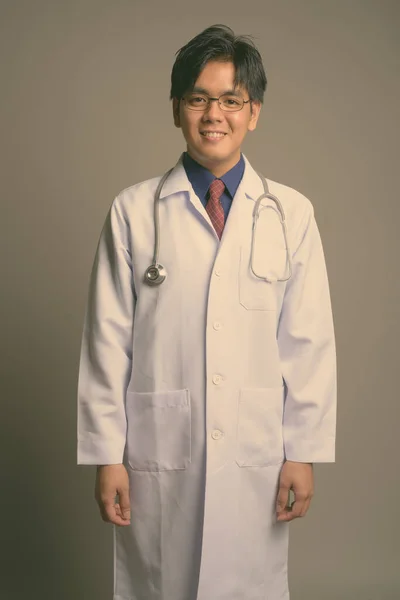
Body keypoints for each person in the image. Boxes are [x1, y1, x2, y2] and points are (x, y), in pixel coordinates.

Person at [77, 23, 337, 600]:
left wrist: (304, 452)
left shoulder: (291, 214)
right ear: (177, 109)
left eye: (230, 100)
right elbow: (106, 342)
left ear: (254, 112)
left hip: (256, 453)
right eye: (198, 98)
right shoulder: (134, 211)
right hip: (158, 452)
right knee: (160, 582)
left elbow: (308, 341)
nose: (213, 113)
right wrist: (105, 456)